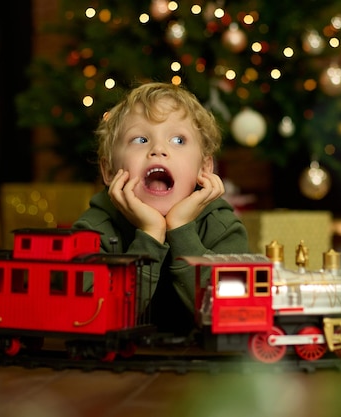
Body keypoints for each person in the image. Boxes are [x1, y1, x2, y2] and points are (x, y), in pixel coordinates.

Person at [73, 82, 249, 335]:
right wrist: (150, 234)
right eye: (140, 139)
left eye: (178, 140)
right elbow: (90, 316)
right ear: (110, 171)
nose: (158, 150)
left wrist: (181, 230)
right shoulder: (93, 229)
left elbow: (232, 312)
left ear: (204, 169)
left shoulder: (221, 226)